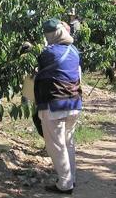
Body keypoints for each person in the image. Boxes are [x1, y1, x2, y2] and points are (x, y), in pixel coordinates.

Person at [34, 19, 82, 195]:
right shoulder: (74, 51)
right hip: (74, 103)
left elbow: (40, 62)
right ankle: (71, 178)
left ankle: (64, 184)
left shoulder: (49, 53)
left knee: (56, 145)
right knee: (68, 143)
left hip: (54, 104)